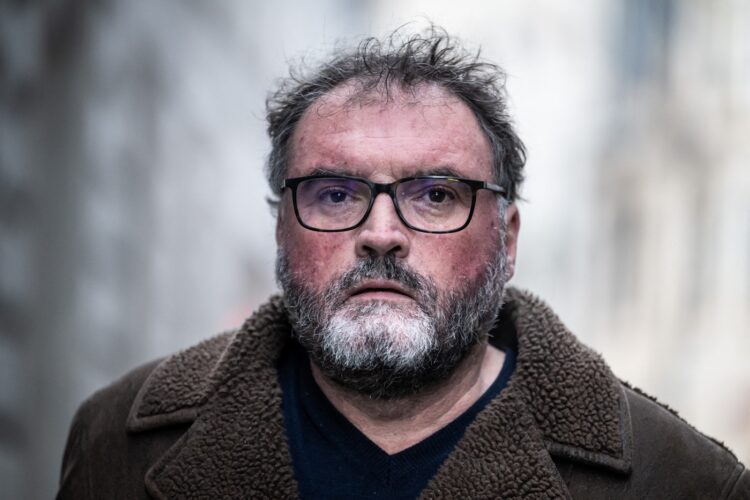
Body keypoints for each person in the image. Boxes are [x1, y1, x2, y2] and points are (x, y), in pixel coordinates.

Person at [57, 27, 749, 499]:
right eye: (335, 194)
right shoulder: (117, 442)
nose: (381, 234)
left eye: (436, 195)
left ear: (507, 241)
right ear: (280, 230)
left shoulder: (681, 480)